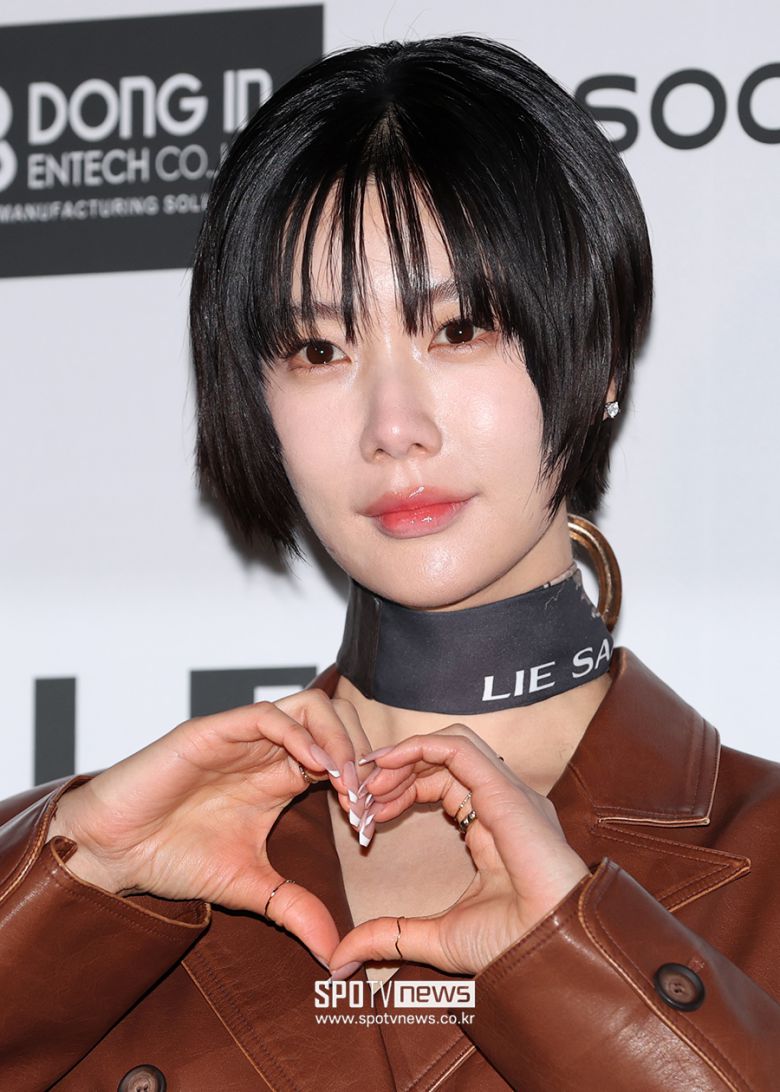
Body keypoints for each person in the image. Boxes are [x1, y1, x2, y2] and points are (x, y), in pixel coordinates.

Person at [2, 35, 779, 1091]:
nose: (393, 426)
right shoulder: (93, 863)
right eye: (319, 350)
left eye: (461, 328)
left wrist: (581, 963)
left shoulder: (765, 856)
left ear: (599, 352)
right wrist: (73, 880)